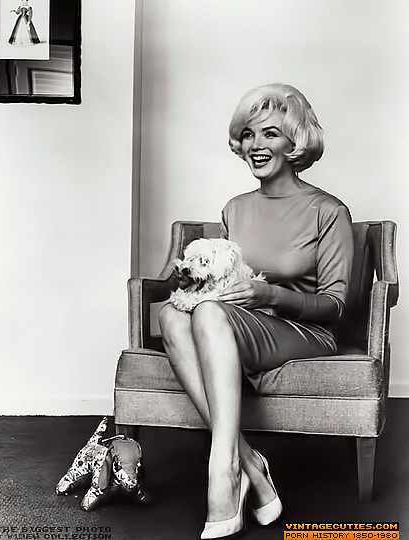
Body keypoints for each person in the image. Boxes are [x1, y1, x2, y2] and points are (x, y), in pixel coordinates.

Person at [159, 83, 354, 539]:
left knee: (208, 314)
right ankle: (247, 462)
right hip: (243, 324)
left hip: (304, 330)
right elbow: (221, 284)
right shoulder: (235, 209)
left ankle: (224, 472)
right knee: (171, 315)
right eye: (248, 134)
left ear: (295, 142)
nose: (255, 144)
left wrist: (270, 296)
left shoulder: (328, 211)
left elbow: (335, 306)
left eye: (270, 133)